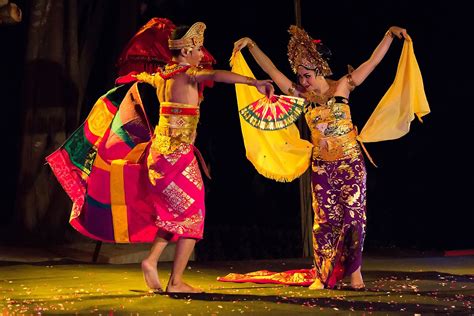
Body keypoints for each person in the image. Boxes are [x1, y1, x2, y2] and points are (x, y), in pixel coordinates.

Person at [47, 20, 274, 294]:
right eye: (199, 49)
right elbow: (218, 75)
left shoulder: (163, 75)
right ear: (188, 50)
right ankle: (176, 281)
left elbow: (147, 79)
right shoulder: (188, 74)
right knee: (194, 215)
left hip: (160, 155)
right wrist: (254, 82)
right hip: (176, 156)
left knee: (175, 214)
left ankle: (151, 260)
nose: (202, 54)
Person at [228, 25, 409, 290]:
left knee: (354, 218)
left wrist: (389, 36)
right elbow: (271, 71)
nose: (302, 81)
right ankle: (324, 273)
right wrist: (252, 45)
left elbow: (373, 61)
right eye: (299, 76)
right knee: (325, 222)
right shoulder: (300, 95)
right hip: (322, 167)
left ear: (319, 68)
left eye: (307, 75)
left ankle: (355, 271)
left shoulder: (344, 86)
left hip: (350, 164)